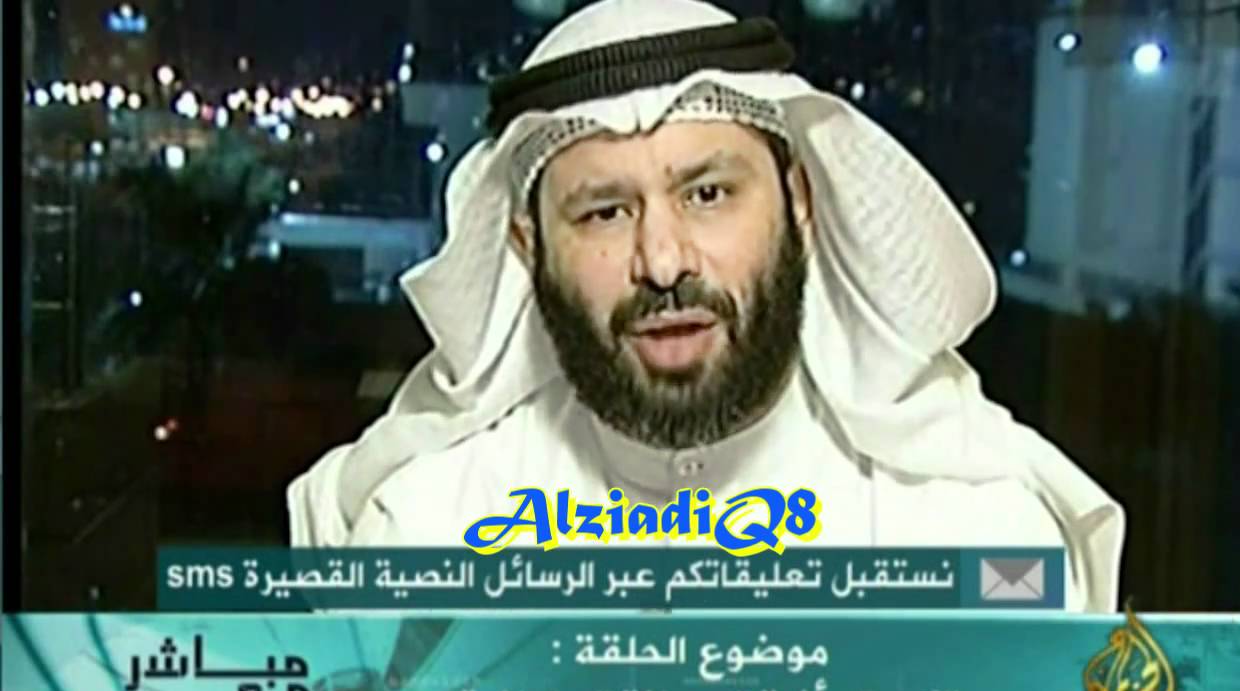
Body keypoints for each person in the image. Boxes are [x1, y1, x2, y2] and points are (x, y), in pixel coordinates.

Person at [288, 0, 1124, 611]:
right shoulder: (427, 534)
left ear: (800, 202)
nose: (664, 262)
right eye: (604, 212)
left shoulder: (969, 537)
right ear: (526, 246)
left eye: (709, 193)